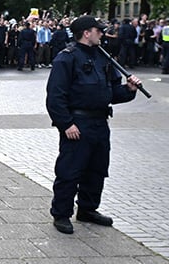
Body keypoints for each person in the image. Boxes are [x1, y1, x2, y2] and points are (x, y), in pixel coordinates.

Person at [46, 15, 141, 235]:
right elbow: (55, 97)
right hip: (77, 123)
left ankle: (88, 209)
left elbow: (111, 93)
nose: (102, 33)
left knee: (97, 169)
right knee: (70, 170)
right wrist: (66, 124)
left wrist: (129, 89)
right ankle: (61, 213)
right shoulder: (66, 59)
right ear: (86, 33)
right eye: (98, 30)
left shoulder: (103, 58)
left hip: (100, 121)